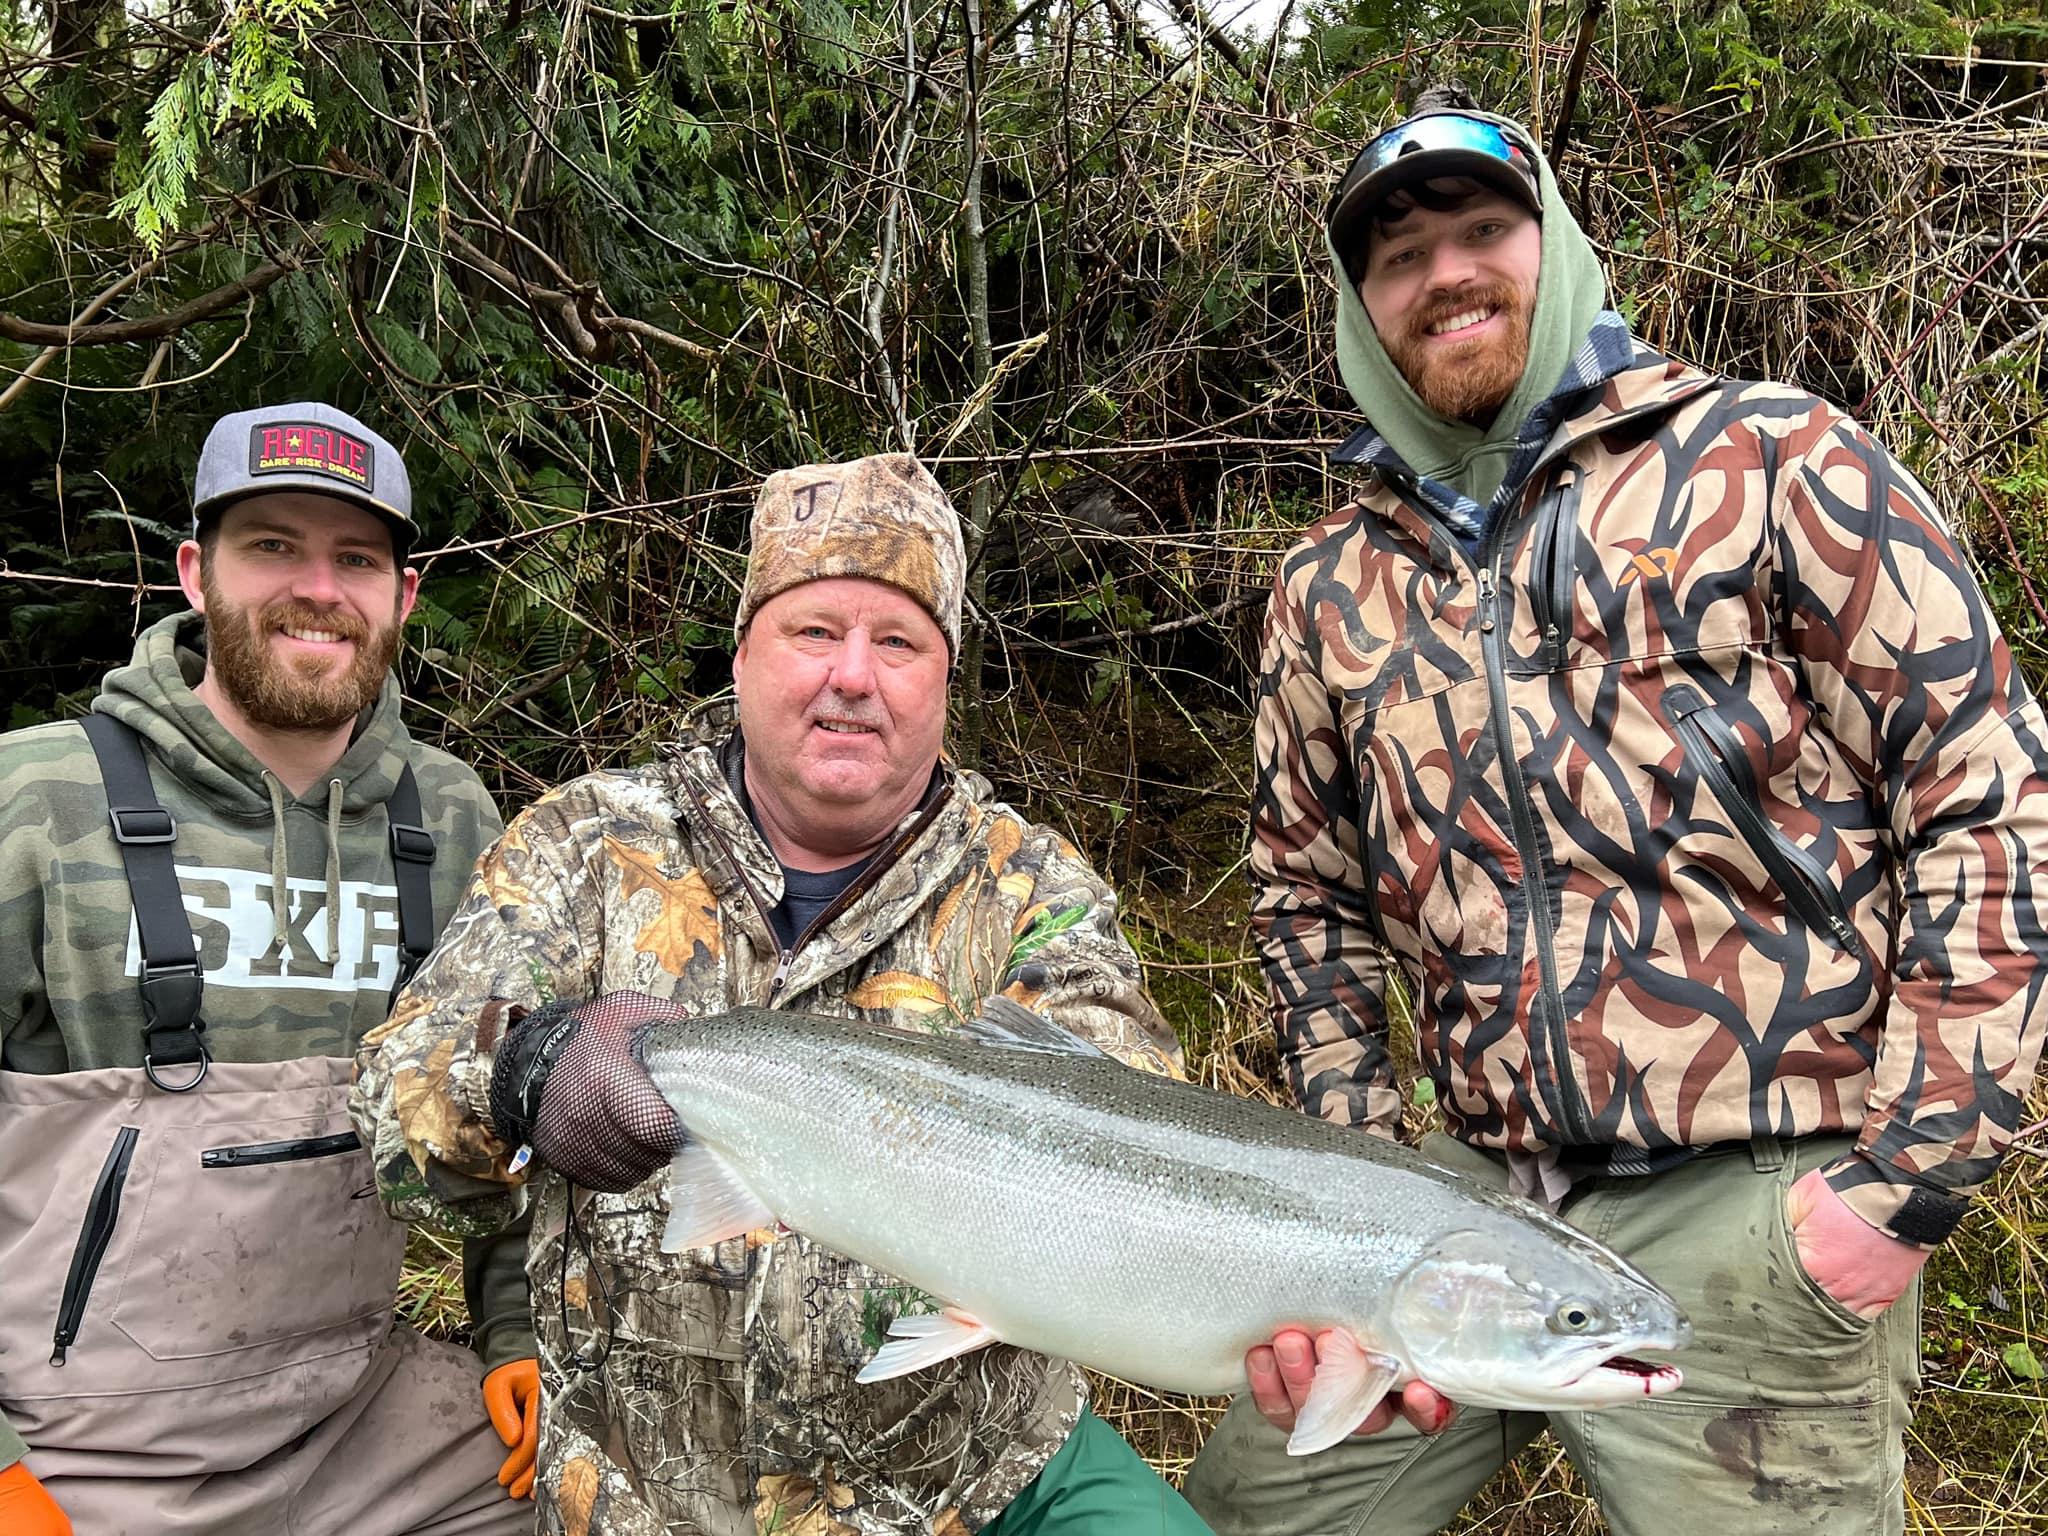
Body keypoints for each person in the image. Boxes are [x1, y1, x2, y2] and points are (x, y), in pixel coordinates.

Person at [1181, 84, 2048, 1536]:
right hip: (1457, 1205)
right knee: (1238, 1522)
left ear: (1557, 246)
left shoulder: (1771, 461)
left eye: (1480, 230)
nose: (1445, 272)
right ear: (1361, 307)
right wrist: (1361, 1169)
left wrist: (1898, 1189)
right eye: (1399, 258)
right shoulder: (1325, 583)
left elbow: (1991, 796)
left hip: (1758, 1196)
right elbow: (1302, 895)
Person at [350, 453, 1213, 1536]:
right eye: (814, 631)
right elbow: (391, 1110)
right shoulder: (586, 847)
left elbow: (1135, 1128)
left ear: (942, 679)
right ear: (745, 652)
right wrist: (524, 1072)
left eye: (897, 642)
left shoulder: (1030, 888)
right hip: (653, 1500)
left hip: (975, 1489)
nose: (853, 675)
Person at [0, 403, 539, 1535]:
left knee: (591, 1492)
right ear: (197, 574)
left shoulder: (447, 816)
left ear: (402, 593)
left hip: (353, 1413)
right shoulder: (36, 803)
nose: (319, 589)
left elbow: (504, 1115)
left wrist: (511, 1329)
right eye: (272, 547)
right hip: (80, 1442)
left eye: (356, 558)